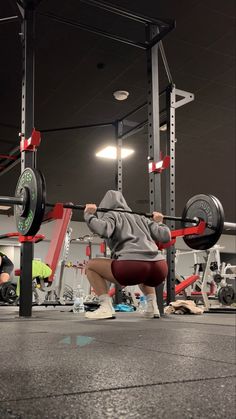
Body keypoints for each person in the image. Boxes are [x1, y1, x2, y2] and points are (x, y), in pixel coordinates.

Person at [83, 190, 171, 320]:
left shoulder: (111, 215)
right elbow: (165, 236)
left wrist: (89, 214)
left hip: (131, 267)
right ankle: (153, 307)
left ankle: (105, 307)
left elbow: (102, 229)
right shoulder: (141, 218)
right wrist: (159, 222)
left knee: (90, 266)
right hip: (159, 268)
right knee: (144, 269)